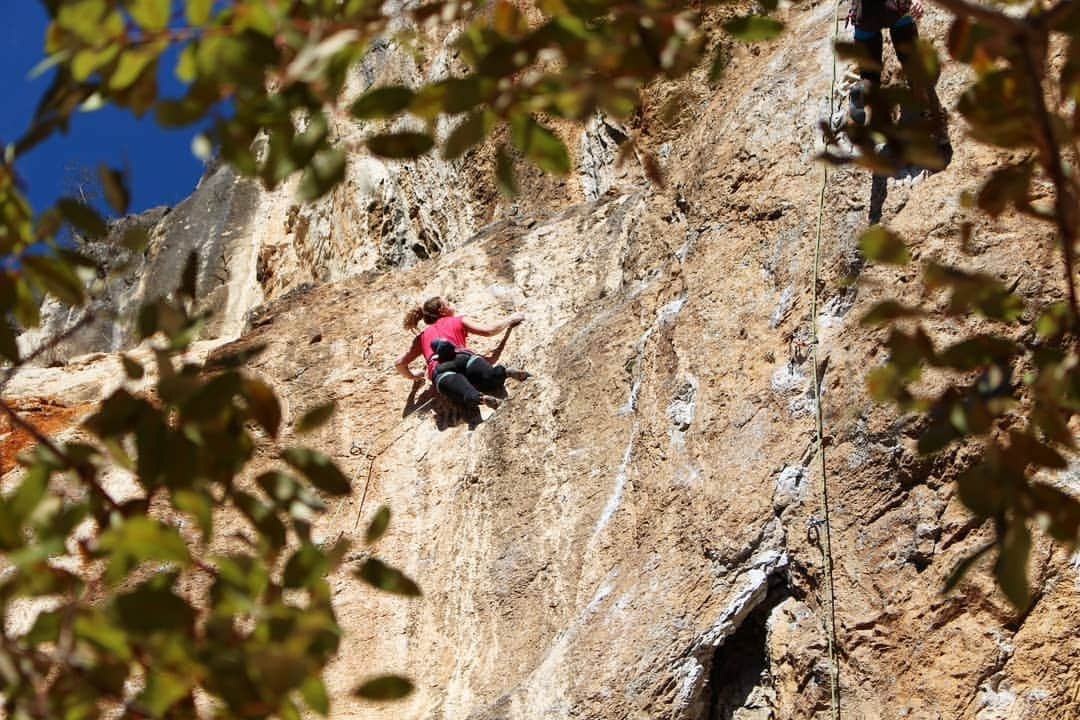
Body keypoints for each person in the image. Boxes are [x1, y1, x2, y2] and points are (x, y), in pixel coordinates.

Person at [395, 296, 529, 410]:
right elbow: (488, 331)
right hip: (463, 357)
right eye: (449, 302)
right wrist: (510, 320)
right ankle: (504, 372)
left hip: (440, 369)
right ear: (442, 310)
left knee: (465, 394)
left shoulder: (421, 337)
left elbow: (399, 363)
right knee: (491, 378)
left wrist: (414, 376)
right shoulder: (458, 320)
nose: (453, 303)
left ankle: (480, 398)